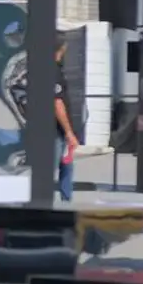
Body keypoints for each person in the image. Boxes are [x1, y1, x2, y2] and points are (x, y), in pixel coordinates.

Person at [54, 39, 79, 202]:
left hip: (59, 131)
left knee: (67, 164)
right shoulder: (53, 71)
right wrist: (69, 132)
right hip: (56, 131)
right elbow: (57, 103)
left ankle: (66, 197)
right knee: (54, 166)